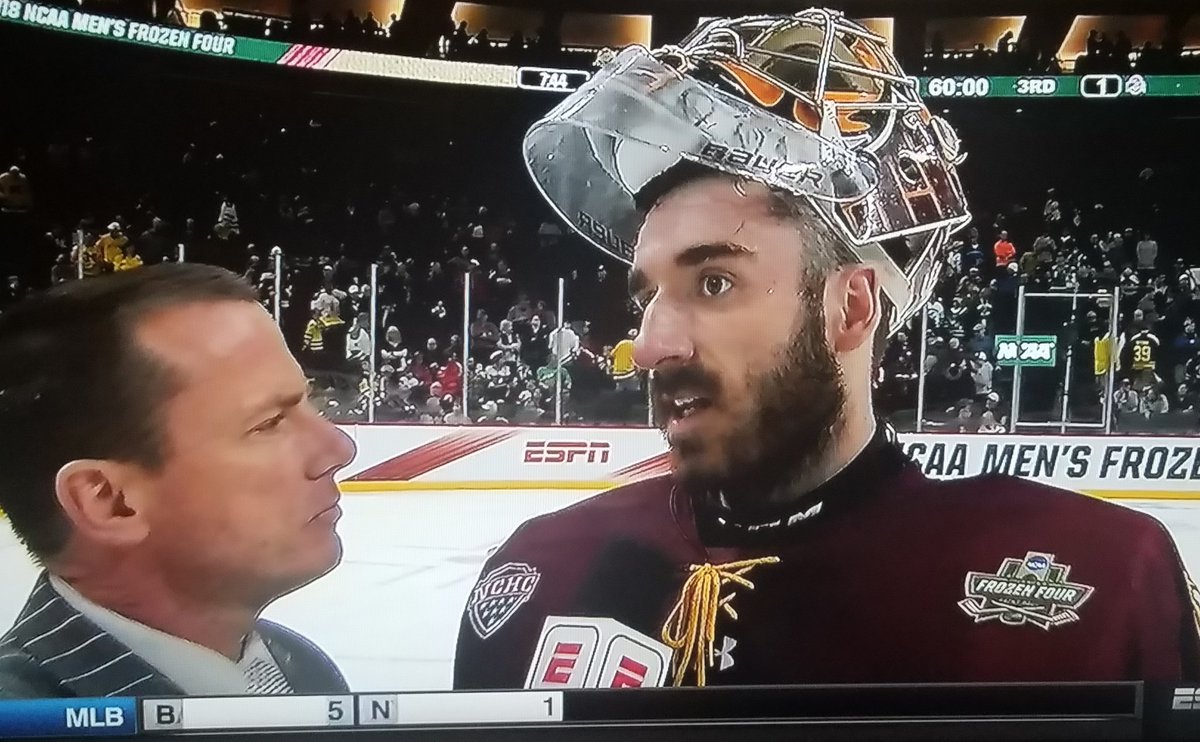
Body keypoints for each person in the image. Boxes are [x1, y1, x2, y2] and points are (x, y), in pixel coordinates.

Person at [454, 10, 1200, 689]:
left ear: (852, 308)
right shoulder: (535, 576)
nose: (649, 345)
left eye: (714, 283)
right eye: (646, 297)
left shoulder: (1102, 589)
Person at [0, 264, 356, 698]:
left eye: (309, 402)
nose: (338, 449)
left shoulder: (301, 669)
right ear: (110, 501)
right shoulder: (23, 719)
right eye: (268, 423)